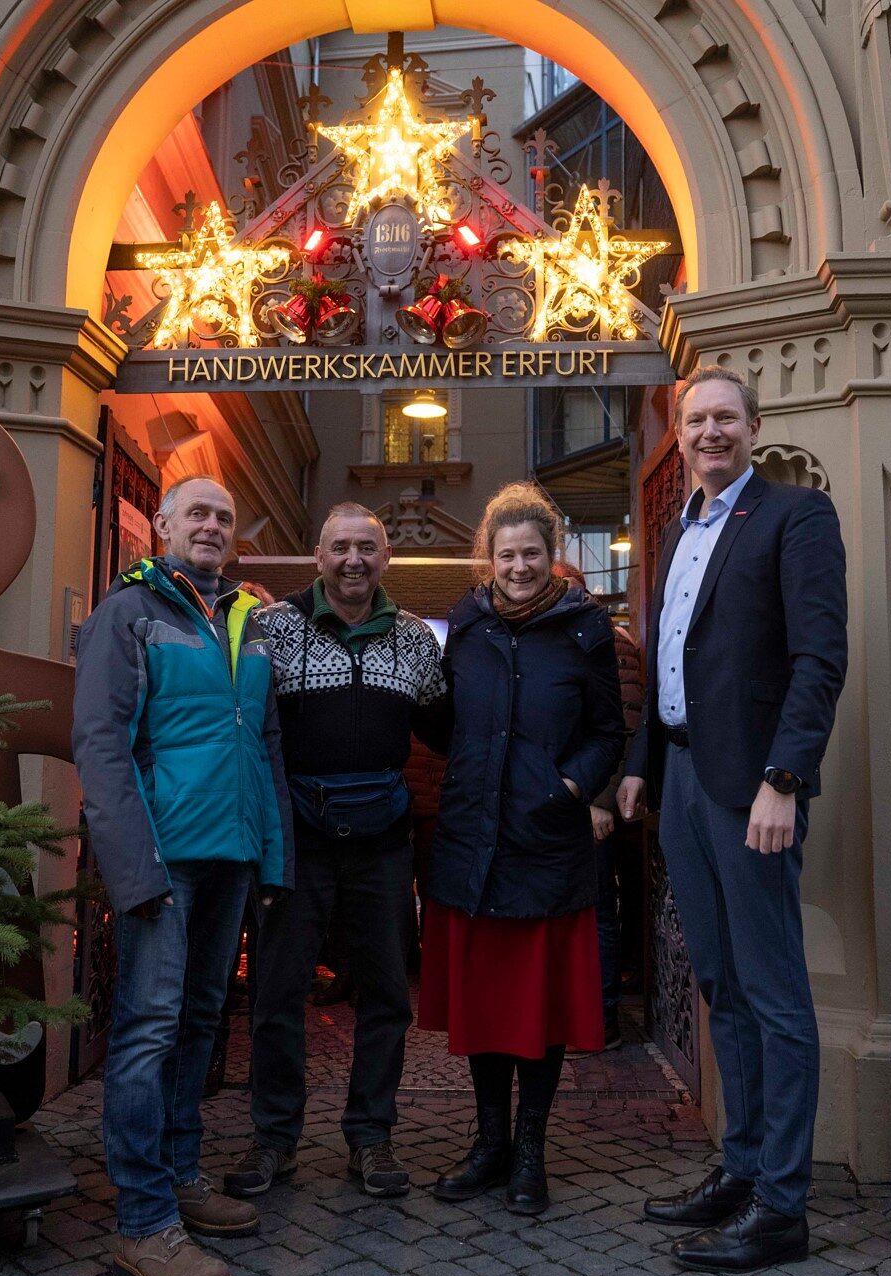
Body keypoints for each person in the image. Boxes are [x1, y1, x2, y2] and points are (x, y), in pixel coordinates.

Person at [615, 365, 847, 1272]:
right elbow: (671, 660)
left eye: (725, 418)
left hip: (753, 790)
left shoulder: (795, 517)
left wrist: (784, 778)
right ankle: (743, 1171)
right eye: (695, 419)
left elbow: (818, 657)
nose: (710, 432)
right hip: (680, 781)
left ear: (753, 426)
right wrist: (641, 767)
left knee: (776, 994)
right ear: (680, 431)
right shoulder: (681, 530)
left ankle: (783, 1207)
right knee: (721, 984)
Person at [72, 475, 295, 1276]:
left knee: (201, 1021)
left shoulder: (242, 619)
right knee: (147, 1030)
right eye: (197, 513)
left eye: (224, 517)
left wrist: (273, 861)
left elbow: (263, 746)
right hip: (163, 860)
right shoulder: (126, 615)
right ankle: (143, 1220)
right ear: (161, 525)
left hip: (231, 854)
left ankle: (181, 1172)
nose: (211, 526)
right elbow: (101, 747)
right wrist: (134, 872)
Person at [227, 504, 447, 1201]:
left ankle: (371, 1138)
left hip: (384, 841)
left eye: (367, 549)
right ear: (317, 556)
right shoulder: (273, 629)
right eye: (340, 548)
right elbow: (236, 724)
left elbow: (450, 733)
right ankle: (274, 1140)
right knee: (277, 993)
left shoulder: (415, 641)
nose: (354, 560)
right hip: (296, 840)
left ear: (386, 559)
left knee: (386, 995)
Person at [417, 483, 626, 1215]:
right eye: (506, 555)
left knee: (536, 1013)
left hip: (545, 839)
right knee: (484, 1010)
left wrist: (570, 787)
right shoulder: (467, 626)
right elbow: (443, 724)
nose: (519, 567)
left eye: (531, 554)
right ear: (488, 558)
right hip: (474, 837)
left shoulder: (584, 629)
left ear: (553, 555)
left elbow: (610, 731)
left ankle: (531, 1153)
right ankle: (489, 1146)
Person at [553, 560, 645, 1055]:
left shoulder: (610, 640)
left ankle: (601, 1019)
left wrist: (601, 800)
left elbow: (625, 724)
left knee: (595, 912)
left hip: (592, 804)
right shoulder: (562, 636)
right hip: (562, 800)